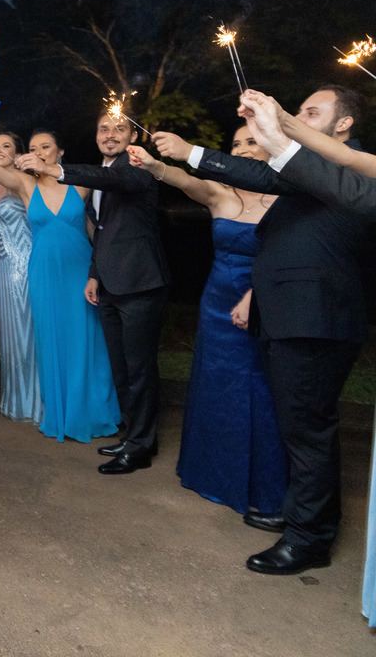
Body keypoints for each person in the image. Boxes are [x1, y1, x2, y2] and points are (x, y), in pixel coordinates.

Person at [154, 86, 370, 575]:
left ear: (343, 124)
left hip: (315, 318)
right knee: (299, 426)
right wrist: (191, 153)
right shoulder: (312, 171)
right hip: (291, 316)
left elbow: (280, 169)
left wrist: (277, 129)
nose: (299, 117)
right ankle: (302, 514)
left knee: (308, 431)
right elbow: (256, 173)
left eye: (311, 112)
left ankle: (309, 539)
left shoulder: (353, 168)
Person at [126, 126, 285, 521]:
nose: (243, 149)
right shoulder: (220, 193)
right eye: (236, 143)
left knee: (262, 390)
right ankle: (213, 474)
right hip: (217, 303)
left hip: (265, 302)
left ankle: (263, 484)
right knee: (217, 385)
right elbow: (183, 180)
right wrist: (155, 165)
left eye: (252, 141)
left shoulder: (287, 198)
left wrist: (259, 294)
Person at [23, 113, 170, 473]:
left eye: (120, 128)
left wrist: (55, 170)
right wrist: (93, 275)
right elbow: (101, 232)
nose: (110, 134)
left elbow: (111, 179)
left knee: (139, 369)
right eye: (103, 128)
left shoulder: (136, 166)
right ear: (95, 136)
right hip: (108, 283)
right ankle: (134, 436)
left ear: (133, 136)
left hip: (139, 282)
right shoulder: (102, 176)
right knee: (121, 367)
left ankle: (140, 448)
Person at [0, 131, 119, 443]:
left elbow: (94, 228)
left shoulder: (80, 183)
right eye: (33, 148)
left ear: (60, 151)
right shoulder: (25, 184)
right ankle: (60, 414)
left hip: (80, 271)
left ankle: (93, 411)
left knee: (86, 340)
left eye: (45, 147)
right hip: (43, 273)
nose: (39, 152)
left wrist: (102, 270)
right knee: (52, 339)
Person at [0, 129, 42, 423]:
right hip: (4, 268)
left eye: (6, 146)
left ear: (18, 153)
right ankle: (17, 398)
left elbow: (37, 218)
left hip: (25, 265)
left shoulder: (22, 181)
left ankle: (36, 402)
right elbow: (3, 219)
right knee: (11, 332)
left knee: (28, 330)